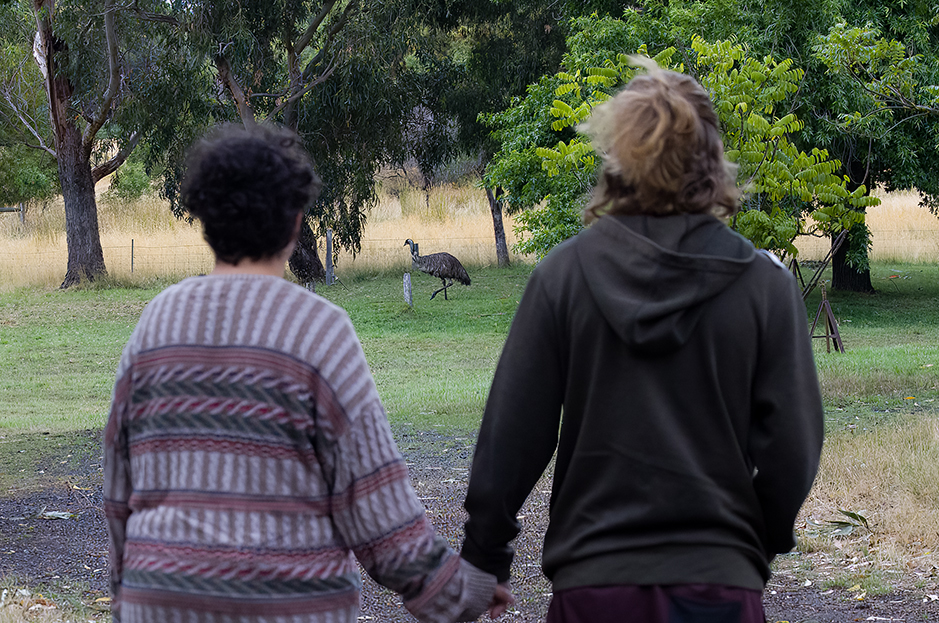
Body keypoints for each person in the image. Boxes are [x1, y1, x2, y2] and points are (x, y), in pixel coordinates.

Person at [460, 62, 824, 622]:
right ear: (712, 160)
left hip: (594, 589)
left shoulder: (563, 277)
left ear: (618, 158)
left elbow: (512, 435)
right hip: (719, 589)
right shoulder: (765, 287)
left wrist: (484, 556)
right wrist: (754, 540)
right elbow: (793, 449)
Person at [103, 124, 504, 623]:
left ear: (205, 221)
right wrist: (458, 591)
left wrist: (131, 592)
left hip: (159, 605)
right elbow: (377, 510)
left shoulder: (154, 324)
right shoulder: (320, 331)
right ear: (296, 223)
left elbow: (119, 486)